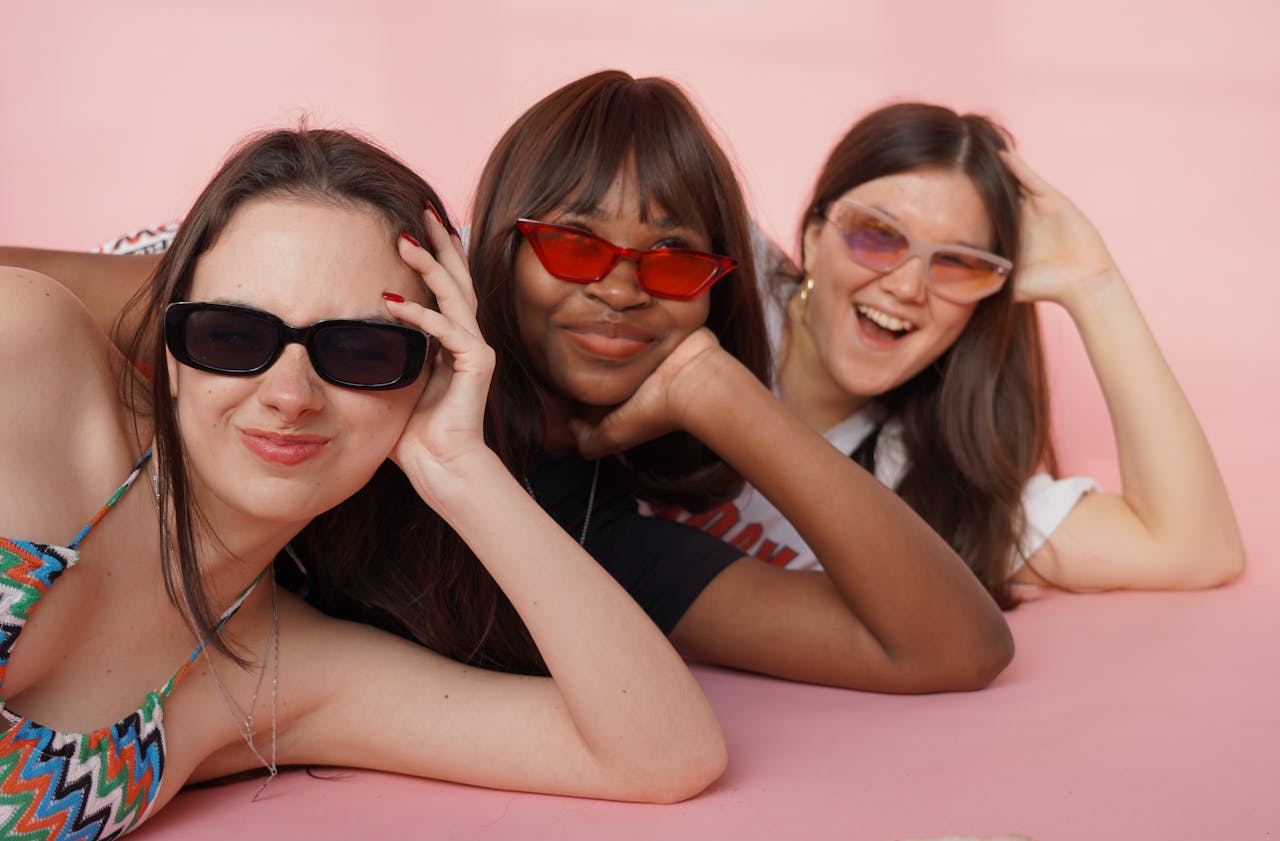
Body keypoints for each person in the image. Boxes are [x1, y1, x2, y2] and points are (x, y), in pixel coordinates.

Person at [0, 74, 1014, 693]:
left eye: (669, 262)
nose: (620, 288)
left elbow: (946, 649)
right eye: (573, 245)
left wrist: (721, 395)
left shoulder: (579, 524)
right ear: (496, 248)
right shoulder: (308, 301)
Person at [0, 127, 727, 841]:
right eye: (232, 335)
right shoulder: (29, 355)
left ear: (428, 377)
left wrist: (462, 468)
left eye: (362, 351)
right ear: (175, 345)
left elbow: (663, 752)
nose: (289, 395)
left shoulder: (283, 676)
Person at [658, 102, 1244, 607]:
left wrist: (1095, 283)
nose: (908, 287)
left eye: (959, 264)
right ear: (813, 234)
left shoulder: (932, 484)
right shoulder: (713, 286)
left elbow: (1194, 547)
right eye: (878, 235)